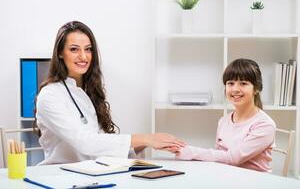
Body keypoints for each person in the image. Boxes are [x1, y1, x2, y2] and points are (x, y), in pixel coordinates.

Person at [34, 21, 185, 165]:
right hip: (60, 175)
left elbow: (99, 144)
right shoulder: (49, 96)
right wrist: (145, 139)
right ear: (60, 53)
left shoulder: (87, 92)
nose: (84, 56)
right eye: (74, 49)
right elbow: (84, 142)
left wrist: (142, 146)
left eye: (88, 49)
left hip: (91, 172)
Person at [176, 58, 276, 172]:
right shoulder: (224, 121)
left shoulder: (265, 125)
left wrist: (191, 152)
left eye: (243, 83)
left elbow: (233, 158)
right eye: (230, 83)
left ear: (256, 88)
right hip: (227, 178)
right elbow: (219, 157)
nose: (235, 89)